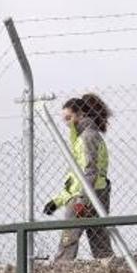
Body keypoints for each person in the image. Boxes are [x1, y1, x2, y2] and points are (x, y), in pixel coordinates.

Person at [43, 93, 113, 262]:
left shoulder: (87, 137)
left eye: (69, 118)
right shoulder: (88, 137)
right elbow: (76, 178)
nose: (66, 123)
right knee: (100, 244)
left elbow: (90, 172)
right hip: (97, 193)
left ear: (81, 114)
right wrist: (58, 201)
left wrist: (83, 200)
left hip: (84, 197)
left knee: (67, 243)